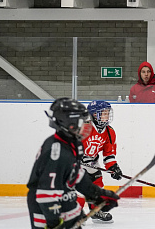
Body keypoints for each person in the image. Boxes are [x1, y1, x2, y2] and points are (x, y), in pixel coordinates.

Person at [27, 97, 119, 229]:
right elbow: (46, 192)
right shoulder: (55, 151)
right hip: (49, 212)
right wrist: (54, 220)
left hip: (67, 206)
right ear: (67, 123)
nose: (85, 126)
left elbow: (78, 176)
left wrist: (98, 195)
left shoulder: (72, 144)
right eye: (80, 122)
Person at [78, 100, 123, 223]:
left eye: (108, 113)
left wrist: (113, 168)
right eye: (103, 113)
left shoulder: (109, 132)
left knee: (97, 185)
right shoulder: (85, 127)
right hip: (78, 162)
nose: (107, 116)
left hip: (92, 162)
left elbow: (109, 154)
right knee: (79, 189)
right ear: (94, 115)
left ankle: (95, 211)